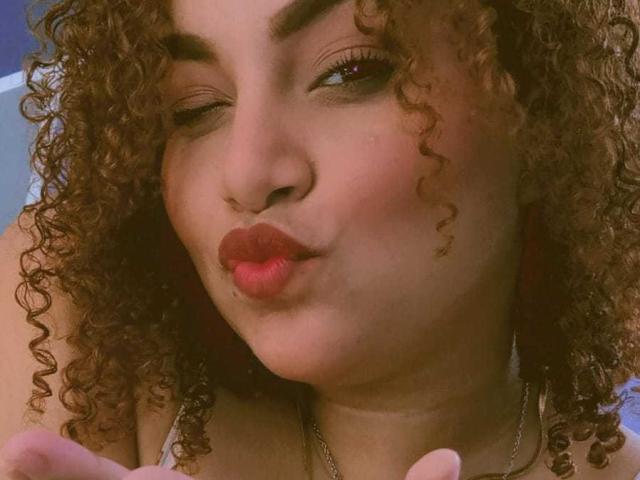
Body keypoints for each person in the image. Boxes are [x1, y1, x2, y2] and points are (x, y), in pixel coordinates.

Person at [1, 0, 640, 478]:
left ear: (540, 119)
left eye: (348, 72)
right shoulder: (71, 322)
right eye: (194, 107)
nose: (246, 173)